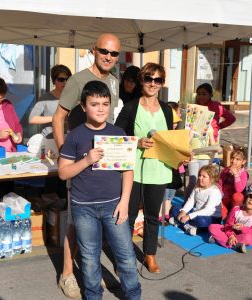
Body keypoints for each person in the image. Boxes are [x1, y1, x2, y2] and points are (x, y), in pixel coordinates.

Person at [52, 33, 121, 298]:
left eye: (114, 53)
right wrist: (64, 154)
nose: (109, 57)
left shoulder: (113, 82)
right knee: (75, 224)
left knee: (99, 223)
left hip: (103, 165)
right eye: (104, 51)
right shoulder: (77, 80)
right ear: (94, 50)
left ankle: (91, 273)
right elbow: (58, 119)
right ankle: (67, 274)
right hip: (81, 163)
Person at [58, 81, 141, 300]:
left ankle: (133, 295)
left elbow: (128, 171)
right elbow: (63, 173)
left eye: (105, 103)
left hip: (114, 204)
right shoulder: (75, 136)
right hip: (83, 208)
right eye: (95, 104)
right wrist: (86, 160)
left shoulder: (117, 132)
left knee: (125, 255)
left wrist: (124, 202)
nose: (101, 108)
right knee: (89, 257)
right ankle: (94, 295)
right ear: (84, 107)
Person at [115, 62, 173, 273]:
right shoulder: (131, 107)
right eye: (148, 78)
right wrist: (136, 141)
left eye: (157, 80)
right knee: (128, 215)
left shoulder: (167, 109)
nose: (152, 83)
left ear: (162, 83)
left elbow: (171, 139)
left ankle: (150, 255)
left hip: (159, 170)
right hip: (134, 170)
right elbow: (116, 134)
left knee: (151, 216)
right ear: (141, 80)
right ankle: (125, 256)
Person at [169, 164, 222, 236]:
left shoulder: (214, 191)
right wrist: (183, 212)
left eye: (204, 176)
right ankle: (187, 226)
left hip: (210, 216)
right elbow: (191, 201)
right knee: (175, 208)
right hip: (196, 212)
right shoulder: (197, 187)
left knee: (201, 221)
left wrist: (189, 216)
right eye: (200, 175)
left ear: (211, 179)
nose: (200, 178)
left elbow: (208, 210)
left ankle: (181, 222)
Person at [208, 189, 252, 253]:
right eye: (250, 196)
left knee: (249, 238)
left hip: (246, 235)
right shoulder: (235, 209)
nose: (251, 200)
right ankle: (235, 245)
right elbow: (228, 225)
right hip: (231, 233)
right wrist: (231, 235)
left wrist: (242, 228)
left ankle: (221, 240)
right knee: (212, 227)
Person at [29, 64, 72, 137]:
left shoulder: (73, 97)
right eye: (61, 79)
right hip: (49, 138)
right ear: (53, 81)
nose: (65, 82)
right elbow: (32, 119)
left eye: (68, 79)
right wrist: (55, 118)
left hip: (68, 138)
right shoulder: (45, 98)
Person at [159, 103, 183, 222]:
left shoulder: (178, 133)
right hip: (164, 167)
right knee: (164, 191)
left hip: (175, 168)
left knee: (170, 193)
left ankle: (166, 213)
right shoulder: (162, 132)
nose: (175, 124)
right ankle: (160, 213)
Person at [219, 147, 248, 219]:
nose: (234, 161)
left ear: (243, 162)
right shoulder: (226, 170)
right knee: (221, 212)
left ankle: (235, 216)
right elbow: (220, 184)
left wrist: (236, 174)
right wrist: (220, 197)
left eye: (237, 159)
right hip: (225, 197)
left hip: (236, 201)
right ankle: (222, 221)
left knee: (238, 196)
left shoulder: (244, 174)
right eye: (232, 158)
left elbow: (239, 190)